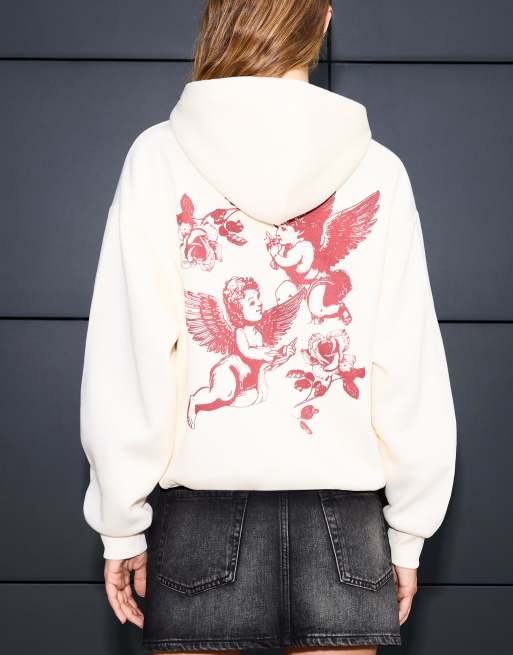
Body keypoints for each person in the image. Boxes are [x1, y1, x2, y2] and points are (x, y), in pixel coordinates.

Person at [79, 1, 457, 653]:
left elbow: (131, 359)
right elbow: (407, 366)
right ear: (324, 19)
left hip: (199, 523)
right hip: (346, 525)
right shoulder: (378, 170)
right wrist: (409, 534)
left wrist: (121, 523)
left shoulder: (158, 157)